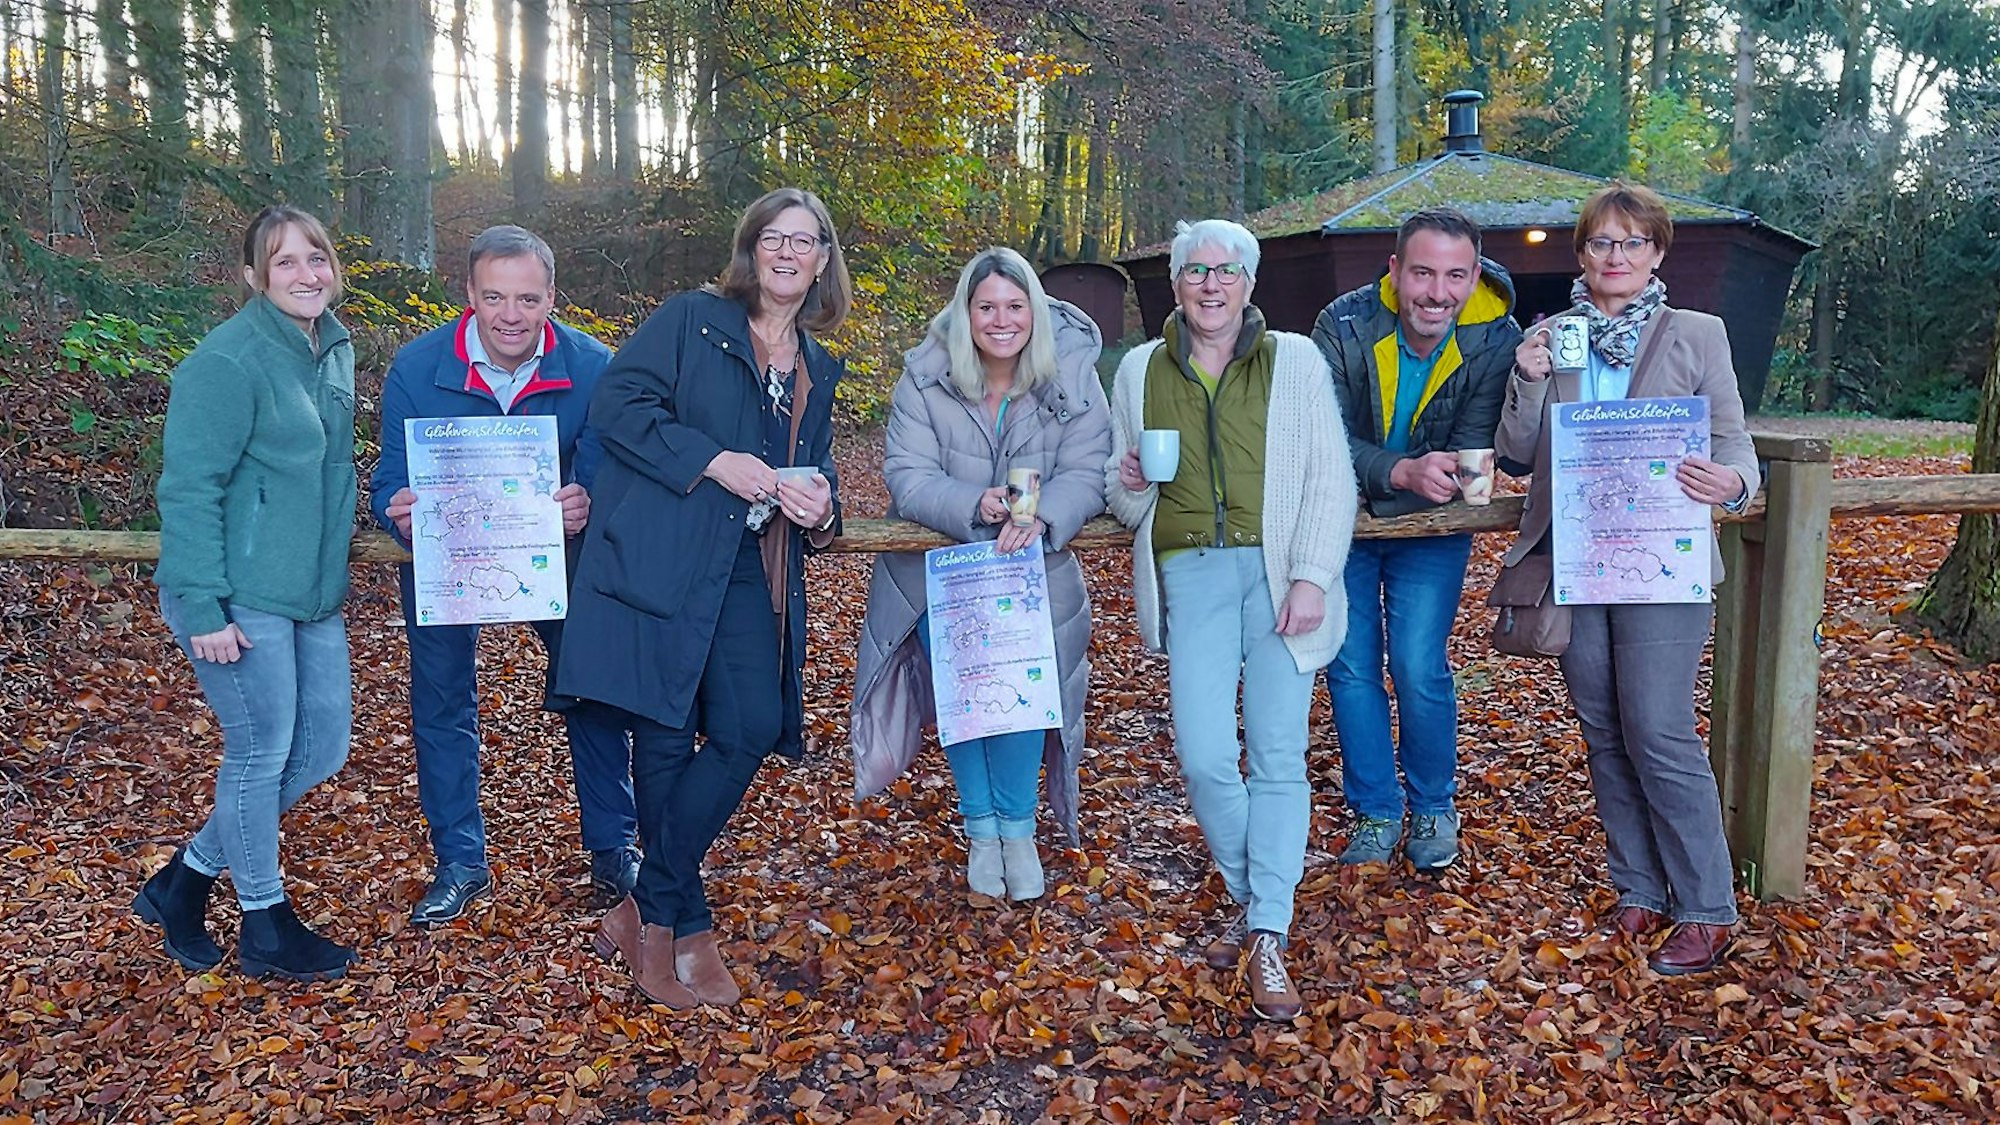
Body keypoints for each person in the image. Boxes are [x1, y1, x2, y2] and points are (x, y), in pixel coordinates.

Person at [561, 187, 849, 1010]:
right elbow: (616, 407)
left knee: (750, 725)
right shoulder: (693, 319)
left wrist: (822, 505)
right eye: (775, 238)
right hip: (660, 563)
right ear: (751, 248)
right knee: (660, 741)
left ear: (824, 260)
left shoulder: (817, 366)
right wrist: (713, 460)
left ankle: (646, 905)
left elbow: (816, 466)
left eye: (806, 241)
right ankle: (686, 926)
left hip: (748, 572)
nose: (789, 253)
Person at [1496, 181, 1759, 976]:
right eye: (1602, 244)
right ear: (1581, 255)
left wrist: (1735, 487)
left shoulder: (1697, 333)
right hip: (1576, 557)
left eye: (1632, 243)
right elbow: (1513, 452)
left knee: (1660, 729)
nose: (1616, 257)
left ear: (1657, 253)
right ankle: (1640, 890)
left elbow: (1735, 445)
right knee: (1605, 732)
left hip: (1662, 558)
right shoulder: (1555, 335)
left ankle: (1707, 906)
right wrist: (1527, 373)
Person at [1104, 219, 1357, 1021]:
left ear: (1250, 283)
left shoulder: (1298, 360)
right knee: (1207, 753)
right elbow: (1123, 499)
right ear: (1173, 284)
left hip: (1283, 577)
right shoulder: (1140, 369)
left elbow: (1331, 480)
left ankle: (1267, 930)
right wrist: (1136, 480)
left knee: (1279, 754)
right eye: (1194, 271)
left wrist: (1314, 576)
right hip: (1193, 576)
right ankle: (1261, 892)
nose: (1210, 284)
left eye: (1226, 270)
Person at [370, 225, 640, 926]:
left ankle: (614, 847)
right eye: (494, 297)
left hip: (553, 554)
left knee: (593, 687)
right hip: (446, 554)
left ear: (552, 297)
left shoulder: (592, 365)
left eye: (527, 298)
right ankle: (460, 861)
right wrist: (393, 508)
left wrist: (588, 495)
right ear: (469, 294)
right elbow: (389, 478)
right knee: (441, 700)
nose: (510, 315)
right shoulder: (417, 366)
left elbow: (607, 462)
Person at [137, 204, 359, 981]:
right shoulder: (224, 363)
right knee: (261, 751)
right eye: (286, 262)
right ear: (253, 276)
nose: (307, 274)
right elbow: (190, 488)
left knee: (322, 747)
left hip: (312, 593)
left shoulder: (332, 348)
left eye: (317, 259)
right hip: (237, 594)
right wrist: (203, 607)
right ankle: (265, 922)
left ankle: (186, 880)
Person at [850, 247, 1112, 901]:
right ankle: (982, 828)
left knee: (1023, 696)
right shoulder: (926, 374)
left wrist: (1046, 512)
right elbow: (907, 474)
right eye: (987, 306)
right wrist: (975, 504)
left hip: (1031, 567)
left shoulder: (1071, 372)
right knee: (967, 697)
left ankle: (1018, 830)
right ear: (965, 313)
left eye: (1015, 306)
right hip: (946, 569)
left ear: (1035, 313)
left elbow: (1089, 466)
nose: (1001, 320)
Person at [1310, 207, 1522, 872]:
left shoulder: (1495, 335)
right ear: (1395, 271)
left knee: (1418, 665)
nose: (1437, 292)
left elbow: (1479, 436)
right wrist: (1396, 469)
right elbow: (1323, 434)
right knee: (1348, 667)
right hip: (1340, 520)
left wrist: (1455, 472)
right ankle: (1375, 809)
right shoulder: (1341, 325)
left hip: (1432, 525)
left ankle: (1433, 804)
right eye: (1424, 272)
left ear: (1475, 275)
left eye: (1455, 276)